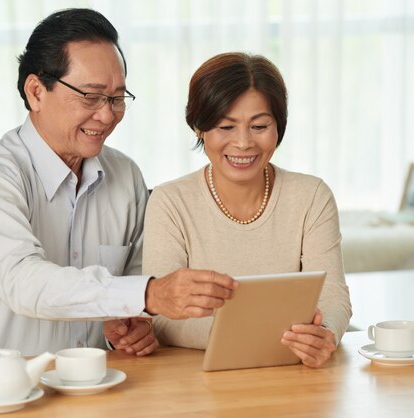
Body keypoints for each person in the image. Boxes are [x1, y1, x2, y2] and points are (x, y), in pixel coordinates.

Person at [0, 9, 237, 360]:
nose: (107, 115)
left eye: (116, 98)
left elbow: (133, 285)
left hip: (93, 387)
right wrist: (148, 296)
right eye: (90, 97)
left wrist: (129, 326)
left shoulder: (125, 176)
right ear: (35, 92)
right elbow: (25, 283)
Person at [133, 52, 352, 368]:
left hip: (292, 374)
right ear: (198, 127)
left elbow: (333, 297)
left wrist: (324, 334)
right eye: (226, 126)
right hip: (195, 379)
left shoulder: (311, 196)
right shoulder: (170, 201)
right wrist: (270, 336)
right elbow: (165, 318)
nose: (243, 143)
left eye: (260, 125)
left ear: (279, 127)